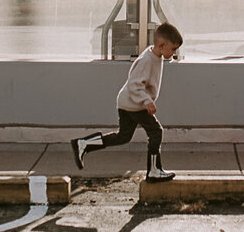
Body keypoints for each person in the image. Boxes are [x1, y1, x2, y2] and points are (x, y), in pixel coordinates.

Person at [72, 22, 183, 182]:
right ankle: (154, 170)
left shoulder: (154, 54)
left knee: (123, 137)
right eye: (173, 49)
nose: (174, 52)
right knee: (156, 132)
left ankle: (84, 144)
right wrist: (146, 101)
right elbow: (134, 84)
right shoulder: (147, 60)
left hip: (127, 102)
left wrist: (145, 99)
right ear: (161, 45)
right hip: (134, 104)